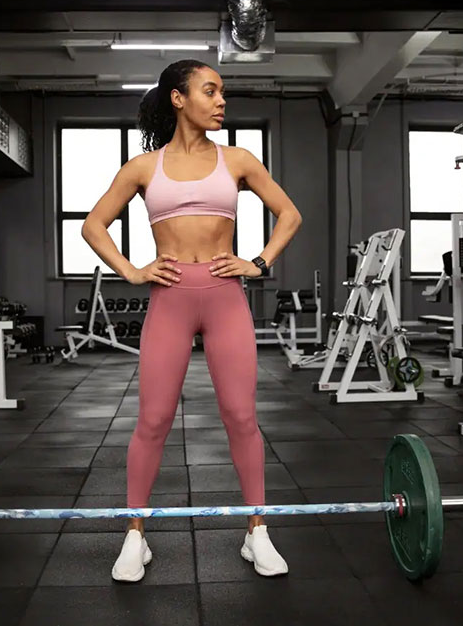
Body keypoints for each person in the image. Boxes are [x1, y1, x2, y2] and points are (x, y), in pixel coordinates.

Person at [81, 59, 303, 582]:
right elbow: (93, 226)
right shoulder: (143, 168)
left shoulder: (239, 160)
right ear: (179, 99)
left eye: (222, 91)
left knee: (241, 418)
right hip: (171, 300)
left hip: (226, 297)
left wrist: (260, 262)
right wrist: (133, 272)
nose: (221, 100)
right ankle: (135, 535)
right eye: (211, 90)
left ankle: (258, 531)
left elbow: (289, 214)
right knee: (153, 421)